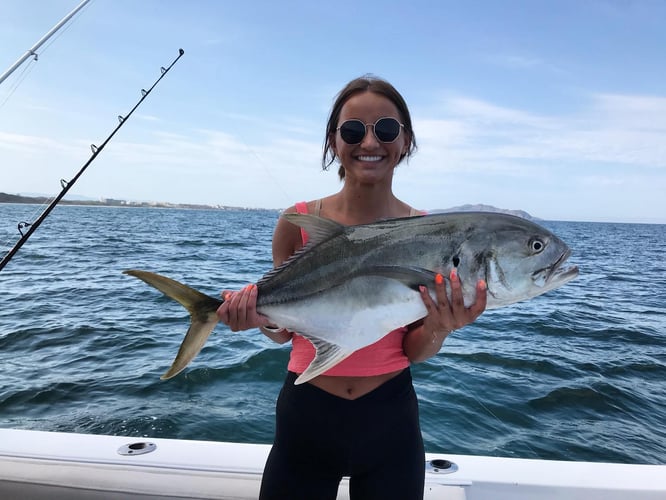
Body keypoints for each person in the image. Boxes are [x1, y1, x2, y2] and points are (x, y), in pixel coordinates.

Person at [216, 75, 487, 500]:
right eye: (354, 130)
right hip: (306, 416)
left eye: (385, 129)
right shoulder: (296, 221)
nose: (370, 142)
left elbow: (411, 350)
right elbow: (284, 330)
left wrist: (441, 326)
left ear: (405, 140)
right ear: (334, 140)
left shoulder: (428, 233)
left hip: (390, 419)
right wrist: (256, 319)